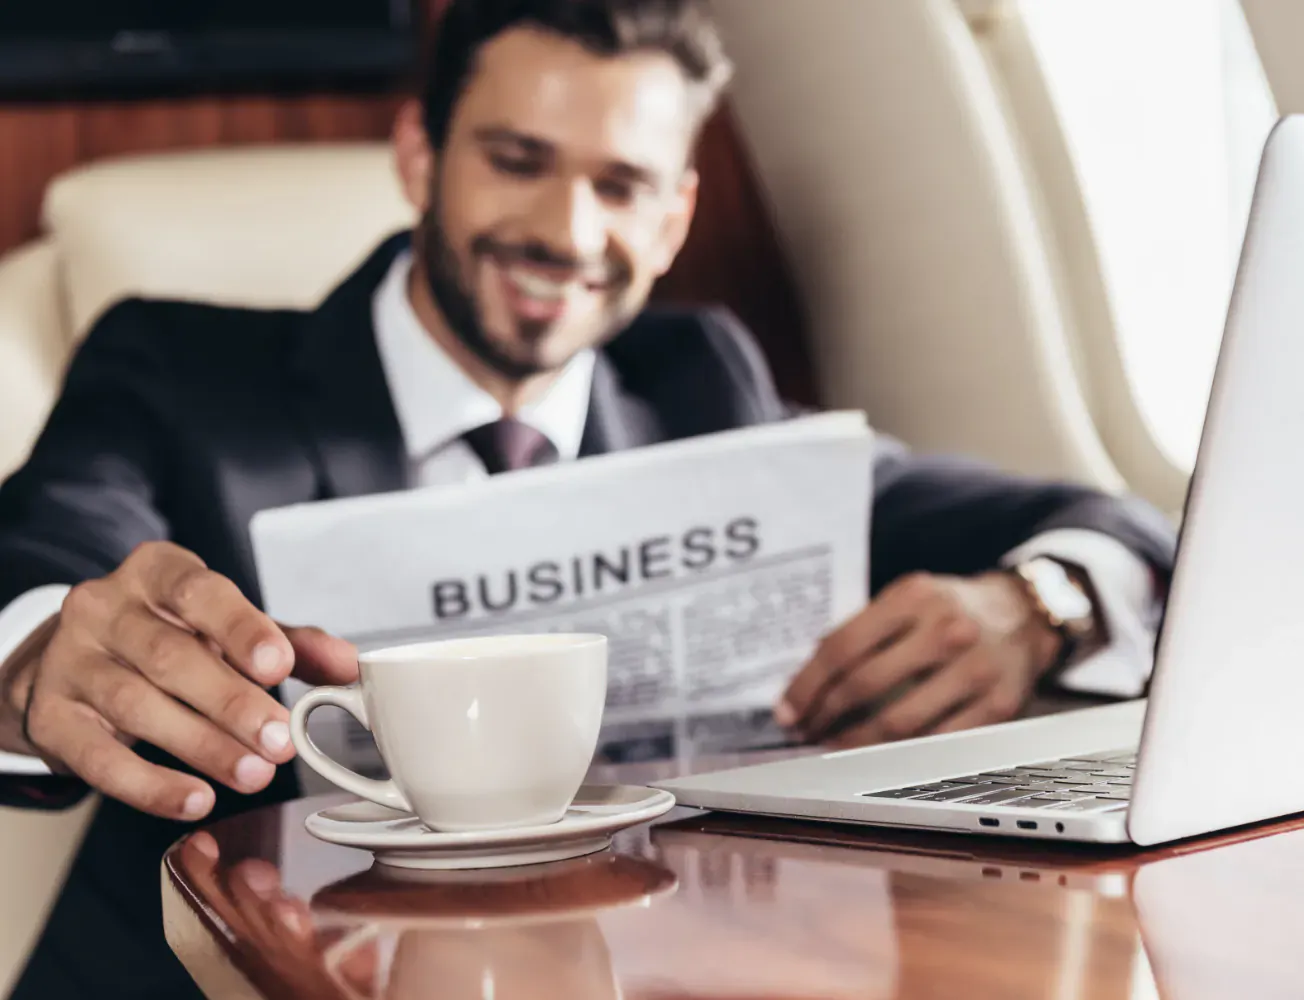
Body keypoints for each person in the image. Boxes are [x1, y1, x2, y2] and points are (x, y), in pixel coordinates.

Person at [0, 1, 1174, 996]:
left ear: (672, 221)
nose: (567, 232)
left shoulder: (704, 385)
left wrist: (1038, 607)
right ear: (421, 156)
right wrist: (42, 655)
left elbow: (1116, 521)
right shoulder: (175, 368)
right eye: (518, 161)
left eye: (621, 186)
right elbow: (43, 557)